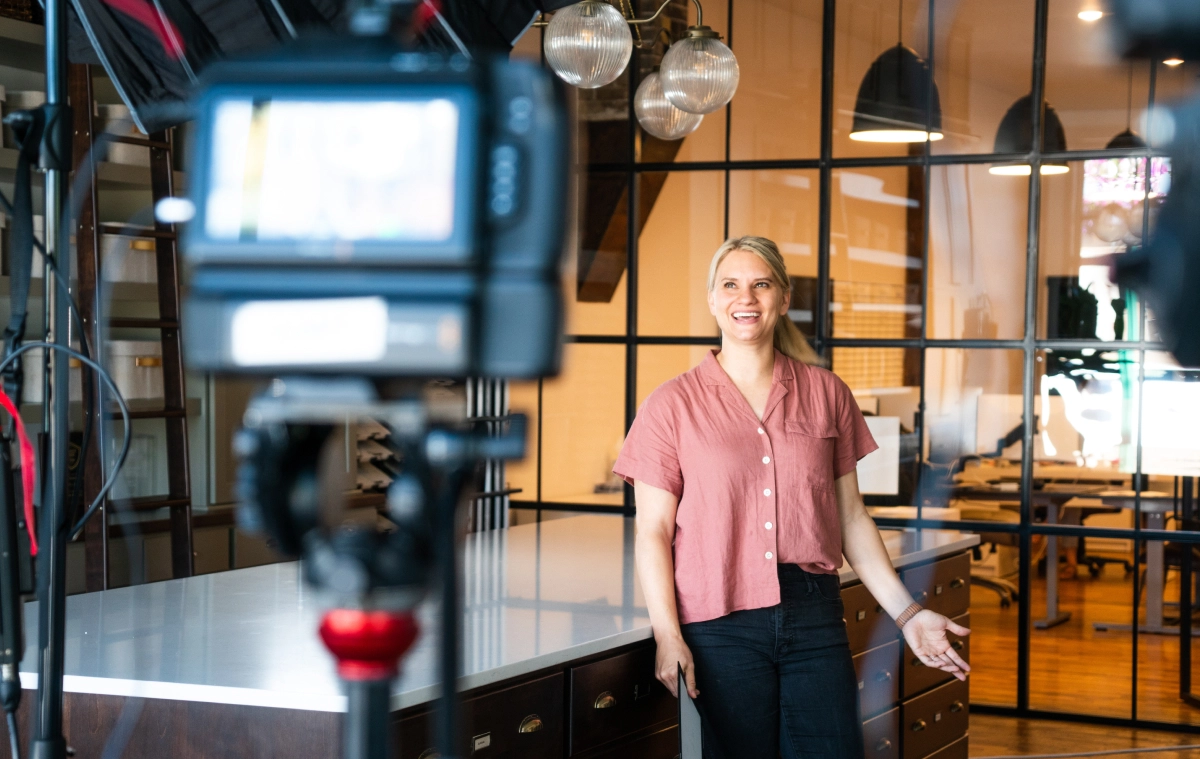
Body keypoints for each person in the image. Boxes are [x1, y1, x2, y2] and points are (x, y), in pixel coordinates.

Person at [613, 237, 971, 759]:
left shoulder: (827, 393)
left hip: (813, 611)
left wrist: (908, 614)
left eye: (761, 284)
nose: (747, 298)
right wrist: (668, 634)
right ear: (713, 300)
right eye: (731, 285)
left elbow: (850, 518)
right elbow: (653, 532)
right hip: (718, 623)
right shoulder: (671, 405)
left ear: (783, 298)